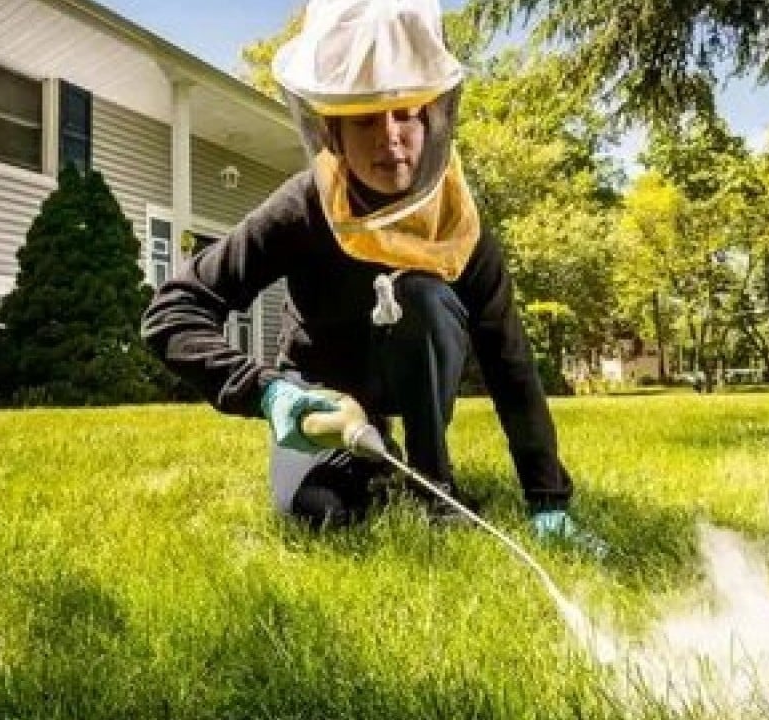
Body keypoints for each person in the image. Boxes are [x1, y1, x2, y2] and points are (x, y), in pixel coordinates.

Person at [142, 0, 591, 543]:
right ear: (331, 131)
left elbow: (509, 362)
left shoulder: (457, 223)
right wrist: (267, 392)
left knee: (421, 296)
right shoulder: (303, 206)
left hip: (415, 380)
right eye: (365, 118)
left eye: (405, 112)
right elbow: (173, 310)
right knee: (316, 512)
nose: (390, 135)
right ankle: (373, 465)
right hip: (325, 398)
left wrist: (546, 496)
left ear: (433, 117)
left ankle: (434, 484)